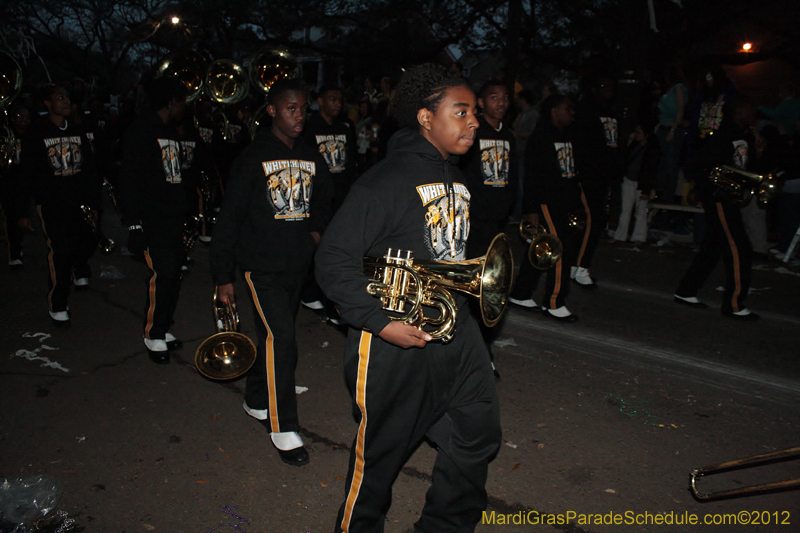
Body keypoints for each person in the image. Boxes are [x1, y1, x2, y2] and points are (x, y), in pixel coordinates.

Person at [315, 63, 501, 533]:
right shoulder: (383, 181)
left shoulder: (458, 178)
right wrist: (380, 323)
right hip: (393, 341)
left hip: (457, 335)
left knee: (477, 435)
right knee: (379, 459)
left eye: (474, 113)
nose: (474, 122)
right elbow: (333, 259)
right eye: (461, 112)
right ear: (425, 117)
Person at [209, 78, 333, 467]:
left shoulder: (311, 155)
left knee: (273, 335)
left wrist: (315, 235)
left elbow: (325, 199)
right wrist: (223, 275)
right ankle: (283, 427)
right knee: (282, 338)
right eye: (291, 108)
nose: (300, 115)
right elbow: (230, 218)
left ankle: (255, 398)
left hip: (296, 264)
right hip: (260, 267)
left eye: (304, 109)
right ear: (273, 111)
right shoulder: (252, 157)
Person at [118, 76, 194, 362]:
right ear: (170, 102)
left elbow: (176, 177)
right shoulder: (141, 130)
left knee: (175, 274)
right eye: (181, 101)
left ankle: (164, 325)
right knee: (163, 273)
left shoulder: (170, 131)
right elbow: (130, 179)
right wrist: (134, 223)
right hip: (152, 217)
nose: (184, 107)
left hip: (172, 216)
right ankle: (153, 333)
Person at [673, 96, 760, 320]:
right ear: (738, 111)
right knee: (739, 247)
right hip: (720, 199)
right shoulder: (722, 137)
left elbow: (748, 168)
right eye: (750, 108)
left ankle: (686, 290)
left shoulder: (746, 136)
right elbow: (695, 167)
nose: (753, 113)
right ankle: (734, 304)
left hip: (731, 198)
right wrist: (709, 186)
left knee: (713, 247)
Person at [22, 84, 100, 326]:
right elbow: (28, 173)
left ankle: (77, 275)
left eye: (67, 97)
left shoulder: (77, 130)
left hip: (77, 202)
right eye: (59, 97)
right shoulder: (37, 132)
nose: (65, 101)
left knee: (79, 246)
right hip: (52, 204)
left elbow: (89, 168)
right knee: (60, 251)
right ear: (47, 104)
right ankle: (58, 303)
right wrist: (24, 209)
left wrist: (92, 202)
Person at [460, 78, 517, 378]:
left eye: (505, 97)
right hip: (472, 223)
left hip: (496, 222)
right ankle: (477, 353)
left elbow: (512, 176)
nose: (501, 103)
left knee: (492, 287)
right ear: (481, 102)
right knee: (475, 288)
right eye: (494, 97)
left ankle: (481, 349)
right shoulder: (473, 131)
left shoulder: (507, 134)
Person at [508, 93, 582, 321]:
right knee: (560, 248)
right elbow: (532, 176)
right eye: (567, 108)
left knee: (541, 248)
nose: (572, 113)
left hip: (562, 202)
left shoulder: (566, 135)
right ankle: (554, 302)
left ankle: (521, 293)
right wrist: (531, 208)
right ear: (554, 111)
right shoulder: (541, 137)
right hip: (547, 202)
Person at [572, 75, 624, 287]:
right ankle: (580, 266)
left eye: (611, 85)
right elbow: (584, 145)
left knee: (596, 220)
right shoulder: (586, 110)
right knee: (591, 220)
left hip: (605, 176)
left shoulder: (612, 112)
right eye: (603, 85)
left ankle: (577, 264)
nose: (608, 89)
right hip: (589, 175)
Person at [613, 121, 660, 243]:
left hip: (641, 183)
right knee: (625, 210)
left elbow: (650, 170)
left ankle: (638, 237)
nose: (636, 135)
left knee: (641, 211)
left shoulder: (651, 149)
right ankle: (620, 236)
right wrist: (628, 143)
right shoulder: (634, 146)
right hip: (629, 180)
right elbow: (624, 159)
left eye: (639, 132)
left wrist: (646, 189)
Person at [1, 105, 31, 270]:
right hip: (9, 181)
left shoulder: (31, 136)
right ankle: (14, 253)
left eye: (26, 117)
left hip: (26, 181)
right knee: (11, 216)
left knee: (23, 214)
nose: (23, 121)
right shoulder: (6, 134)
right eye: (19, 116)